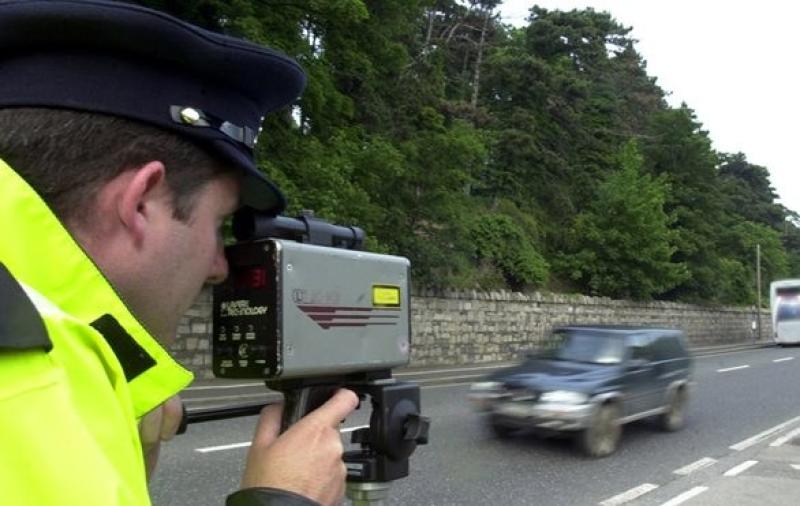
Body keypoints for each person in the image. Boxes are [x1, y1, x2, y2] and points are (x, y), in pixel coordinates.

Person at [0, 1, 359, 505]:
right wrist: (283, 500)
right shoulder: (23, 398)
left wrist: (115, 418)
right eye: (217, 224)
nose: (218, 266)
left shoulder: (43, 359)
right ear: (141, 202)